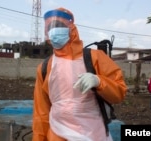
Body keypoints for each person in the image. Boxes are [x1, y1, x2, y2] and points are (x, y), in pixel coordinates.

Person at [32, 7, 127, 141]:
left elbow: (119, 93)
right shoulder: (44, 67)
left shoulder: (94, 58)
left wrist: (99, 81)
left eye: (58, 26)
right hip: (57, 134)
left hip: (93, 133)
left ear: (71, 28)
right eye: (49, 28)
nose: (53, 31)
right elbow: (41, 112)